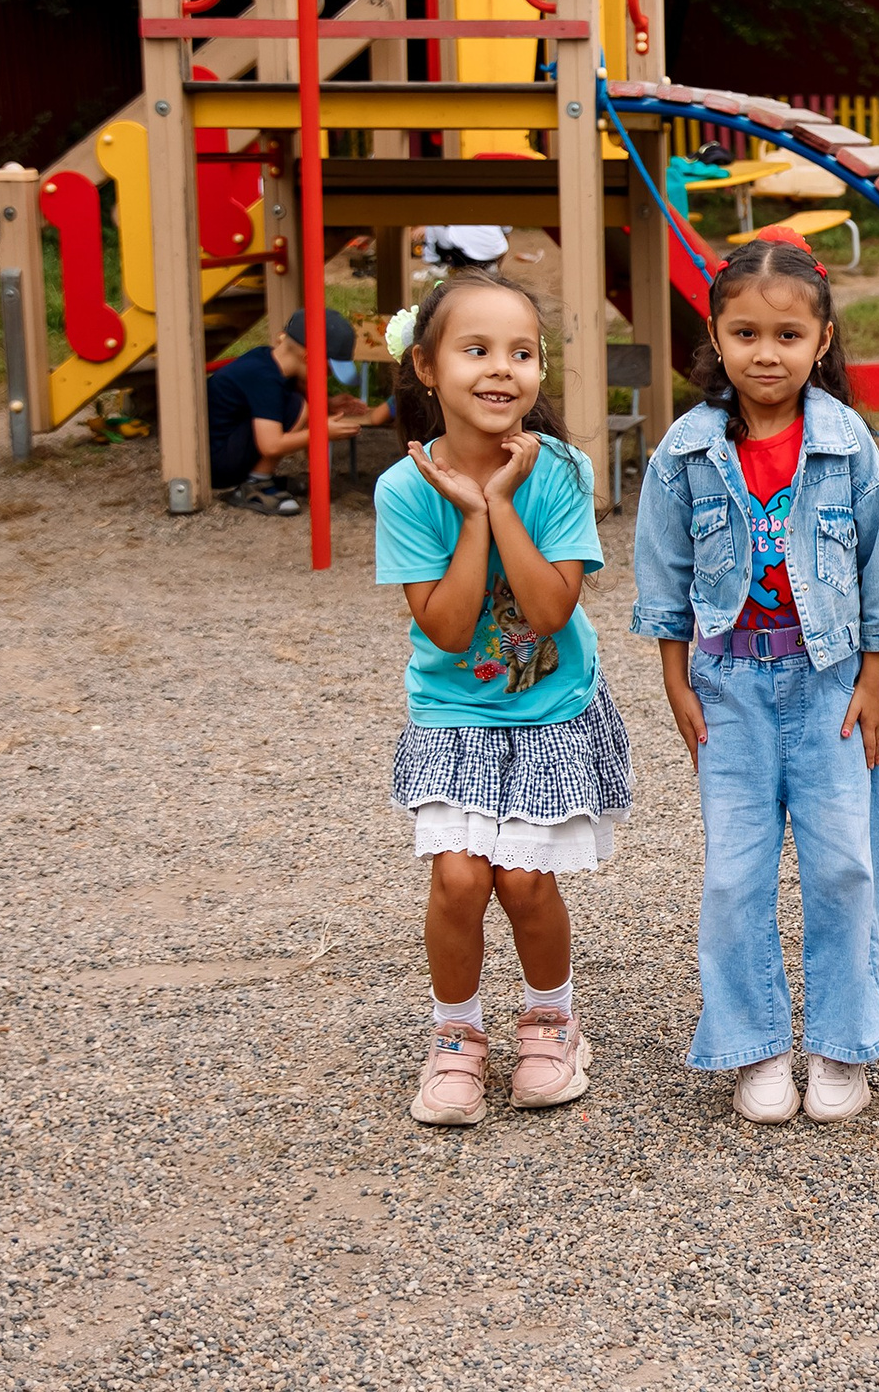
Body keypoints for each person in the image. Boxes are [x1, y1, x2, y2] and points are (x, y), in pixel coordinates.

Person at [631, 229, 879, 1126]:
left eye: (788, 336)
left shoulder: (845, 443)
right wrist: (675, 677)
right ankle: (752, 1045)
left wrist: (875, 678)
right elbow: (661, 568)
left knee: (844, 865)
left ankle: (840, 1041)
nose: (767, 352)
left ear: (822, 341)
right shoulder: (685, 449)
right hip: (729, 687)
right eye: (746, 333)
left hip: (829, 682)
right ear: (714, 337)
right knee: (733, 874)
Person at [374, 270, 627, 1126]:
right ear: (427, 365)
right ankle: (455, 1037)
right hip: (456, 713)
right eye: (476, 349)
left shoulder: (559, 470)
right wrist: (470, 518)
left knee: (522, 880)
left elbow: (552, 610)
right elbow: (447, 631)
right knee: (456, 877)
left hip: (550, 706)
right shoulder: (404, 490)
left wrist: (501, 502)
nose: (500, 370)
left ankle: (553, 1018)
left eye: (521, 352)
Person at [206, 308, 382, 514]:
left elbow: (283, 392)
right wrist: (321, 432)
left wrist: (328, 403)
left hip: (225, 449)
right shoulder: (262, 379)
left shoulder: (266, 361)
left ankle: (259, 478)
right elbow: (271, 446)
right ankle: (255, 485)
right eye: (329, 368)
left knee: (296, 402)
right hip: (219, 465)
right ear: (308, 357)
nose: (331, 374)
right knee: (298, 406)